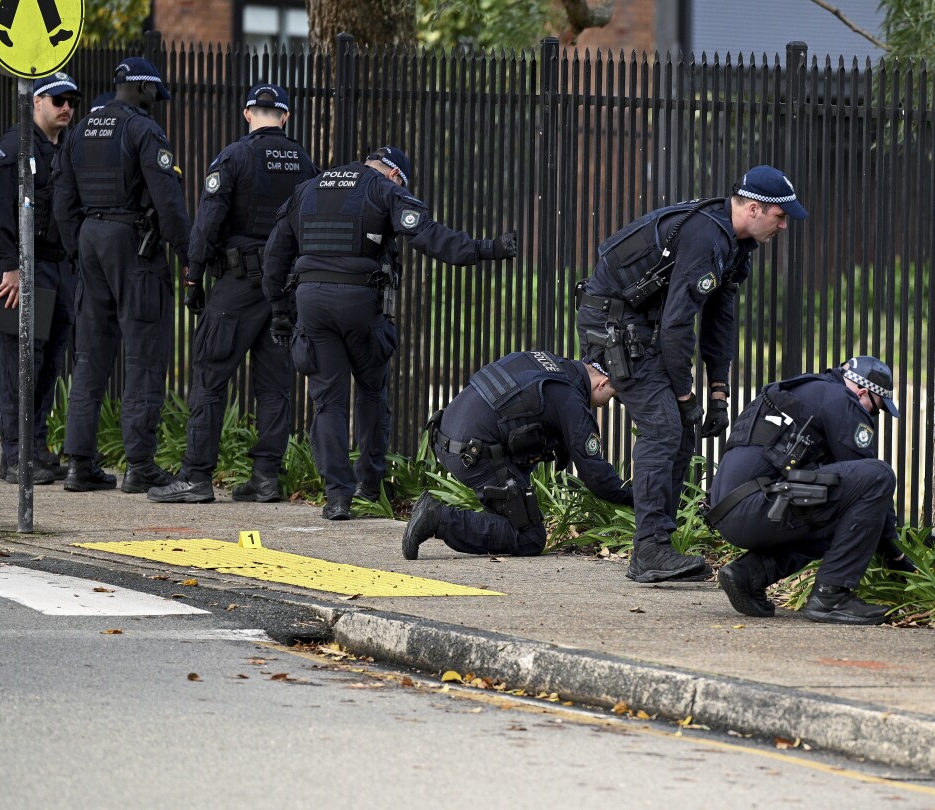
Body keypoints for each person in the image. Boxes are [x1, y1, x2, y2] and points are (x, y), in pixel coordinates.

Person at [576, 166, 806, 583]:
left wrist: (718, 390)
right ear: (754, 208)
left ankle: (659, 546)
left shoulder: (735, 245)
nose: (785, 224)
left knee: (682, 428)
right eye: (781, 215)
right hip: (613, 324)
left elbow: (720, 318)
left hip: (642, 325)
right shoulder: (707, 237)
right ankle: (648, 550)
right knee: (665, 426)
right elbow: (680, 325)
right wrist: (684, 394)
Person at [262, 146, 518, 519]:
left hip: (312, 303)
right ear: (396, 175)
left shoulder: (309, 187)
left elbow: (275, 254)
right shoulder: (384, 190)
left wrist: (280, 313)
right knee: (370, 391)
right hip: (361, 302)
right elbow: (427, 236)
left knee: (328, 402)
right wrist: (486, 249)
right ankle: (370, 484)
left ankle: (337, 497)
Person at [147, 84, 319, 504]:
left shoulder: (235, 156)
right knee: (274, 386)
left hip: (238, 284)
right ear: (285, 117)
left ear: (247, 114)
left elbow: (208, 221)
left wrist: (194, 278)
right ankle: (265, 478)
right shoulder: (305, 163)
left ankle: (197, 476)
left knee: (209, 375)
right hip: (285, 288)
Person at [52, 57, 191, 493]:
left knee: (90, 357)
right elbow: (168, 203)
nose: (157, 104)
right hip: (133, 245)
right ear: (144, 90)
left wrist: (79, 246)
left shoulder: (78, 132)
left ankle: (79, 465)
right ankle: (140, 465)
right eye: (156, 96)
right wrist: (190, 255)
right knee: (144, 354)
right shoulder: (142, 130)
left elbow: (62, 200)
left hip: (91, 240)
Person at [706, 357, 903, 623]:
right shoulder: (842, 401)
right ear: (864, 392)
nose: (871, 416)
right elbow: (869, 483)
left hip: (730, 510)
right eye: (875, 409)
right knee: (879, 474)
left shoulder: (802, 390)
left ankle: (748, 575)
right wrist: (896, 554)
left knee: (837, 512)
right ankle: (831, 597)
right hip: (760, 506)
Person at [401, 352, 633, 559]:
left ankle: (479, 518)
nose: (604, 405)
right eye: (611, 397)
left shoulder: (547, 362)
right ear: (602, 384)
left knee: (521, 493)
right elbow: (598, 478)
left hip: (445, 435)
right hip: (473, 455)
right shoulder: (570, 400)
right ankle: (437, 518)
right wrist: (638, 498)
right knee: (530, 537)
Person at [0, 72, 81, 486]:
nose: (66, 108)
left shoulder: (66, 150)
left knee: (50, 363)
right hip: (25, 269)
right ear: (36, 102)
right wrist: (10, 268)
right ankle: (14, 454)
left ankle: (35, 445)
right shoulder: (12, 150)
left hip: (59, 269)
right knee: (21, 364)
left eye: (71, 100)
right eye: (57, 100)